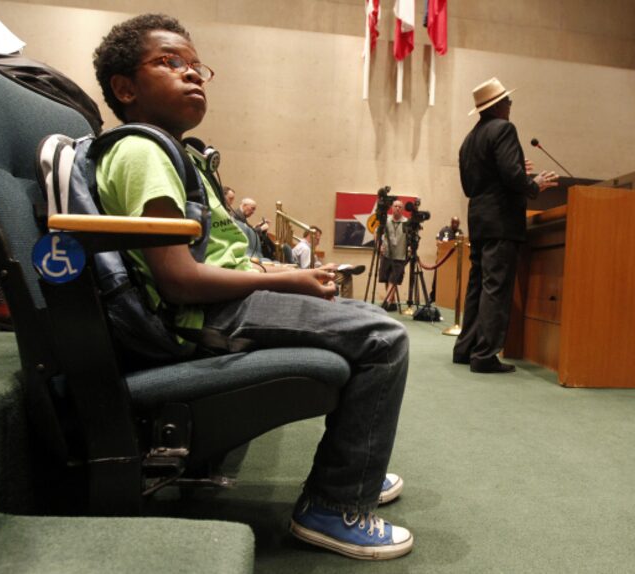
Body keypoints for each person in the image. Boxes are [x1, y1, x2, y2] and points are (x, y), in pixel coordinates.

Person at [92, 14, 412, 560]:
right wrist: (290, 278)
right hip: (207, 315)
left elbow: (226, 253)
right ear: (125, 88)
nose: (192, 75)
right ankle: (335, 505)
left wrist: (276, 273)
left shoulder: (179, 153)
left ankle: (355, 465)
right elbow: (178, 279)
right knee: (385, 337)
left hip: (229, 301)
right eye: (170, 63)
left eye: (197, 66)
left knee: (368, 327)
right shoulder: (142, 153)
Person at [452, 77, 558, 374]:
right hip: (501, 220)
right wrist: (533, 185)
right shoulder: (504, 129)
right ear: (498, 106)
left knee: (478, 285)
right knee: (495, 288)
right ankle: (485, 355)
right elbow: (513, 178)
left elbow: (473, 183)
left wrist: (512, 175)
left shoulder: (469, 140)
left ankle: (465, 348)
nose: (510, 105)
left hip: (479, 218)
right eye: (508, 101)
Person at [378, 199, 408, 311]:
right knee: (386, 279)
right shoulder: (386, 221)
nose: (397, 208)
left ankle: (386, 301)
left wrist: (409, 248)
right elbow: (377, 234)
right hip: (386, 255)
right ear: (392, 208)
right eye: (395, 206)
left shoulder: (406, 222)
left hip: (400, 256)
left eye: (400, 207)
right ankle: (392, 301)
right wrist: (379, 246)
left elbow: (411, 238)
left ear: (403, 209)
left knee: (393, 280)